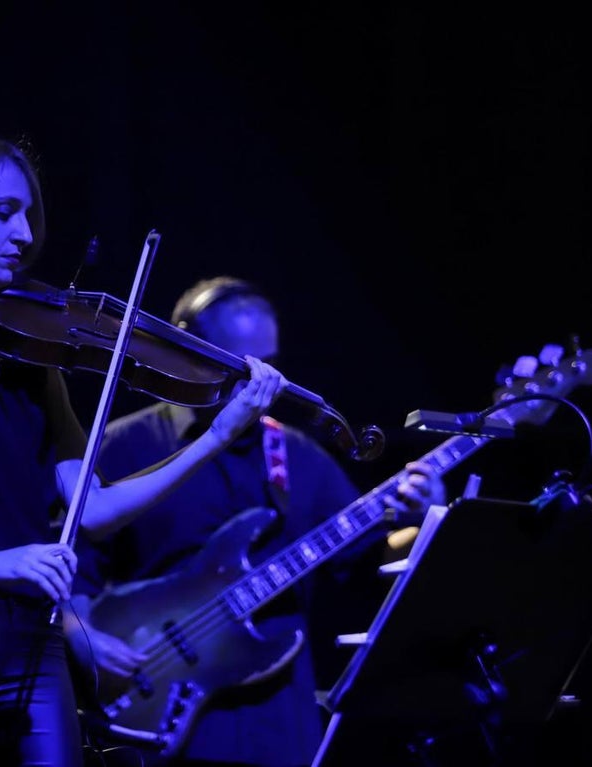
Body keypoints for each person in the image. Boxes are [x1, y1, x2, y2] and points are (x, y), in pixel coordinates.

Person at [0, 122, 289, 767]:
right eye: (5, 212)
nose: (27, 235)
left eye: (29, 215)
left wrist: (214, 438)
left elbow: (89, 511)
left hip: (31, 633)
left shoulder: (33, 351)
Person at [66, 276, 446, 767]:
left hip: (278, 724)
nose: (261, 381)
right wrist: (81, 636)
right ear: (183, 346)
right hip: (151, 712)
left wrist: (422, 518)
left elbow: (371, 559)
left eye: (271, 365)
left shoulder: (299, 455)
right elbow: (70, 563)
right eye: (238, 363)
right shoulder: (124, 445)